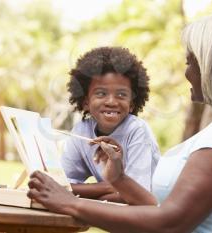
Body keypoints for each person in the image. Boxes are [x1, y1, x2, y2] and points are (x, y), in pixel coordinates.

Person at [28, 10, 212, 232]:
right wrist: (119, 179)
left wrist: (70, 202)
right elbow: (161, 209)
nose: (186, 73)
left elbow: (170, 223)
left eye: (190, 62)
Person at [60, 46, 161, 203]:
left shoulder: (137, 131)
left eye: (121, 94)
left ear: (132, 104)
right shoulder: (81, 130)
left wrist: (94, 192)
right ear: (86, 102)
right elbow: (63, 185)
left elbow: (137, 196)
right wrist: (108, 187)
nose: (111, 102)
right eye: (101, 93)